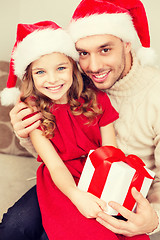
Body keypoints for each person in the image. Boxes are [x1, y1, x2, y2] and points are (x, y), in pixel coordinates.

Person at [0, 0, 160, 239]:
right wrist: (24, 132)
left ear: (127, 44)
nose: (93, 66)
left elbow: (111, 155)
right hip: (64, 178)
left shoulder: (150, 93)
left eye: (105, 49)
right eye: (83, 53)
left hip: (114, 182)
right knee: (14, 226)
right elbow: (53, 154)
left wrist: (153, 218)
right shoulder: (74, 83)